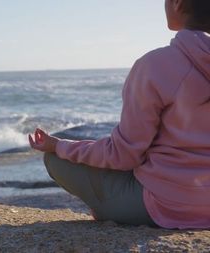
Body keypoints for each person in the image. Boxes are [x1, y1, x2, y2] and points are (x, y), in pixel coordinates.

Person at [29, 0, 210, 229]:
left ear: (177, 3)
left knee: (55, 160)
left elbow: (123, 155)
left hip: (165, 206)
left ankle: (115, 210)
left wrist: (59, 146)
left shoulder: (156, 65)